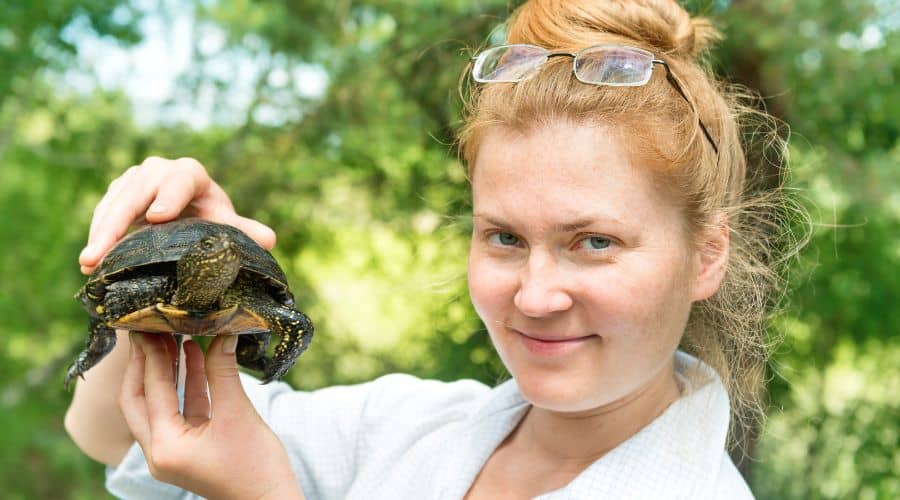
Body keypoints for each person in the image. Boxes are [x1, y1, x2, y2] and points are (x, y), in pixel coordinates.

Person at [65, 0, 800, 498]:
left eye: (595, 241)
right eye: (506, 237)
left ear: (706, 255)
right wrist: (165, 269)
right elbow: (107, 434)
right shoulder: (411, 425)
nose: (537, 295)